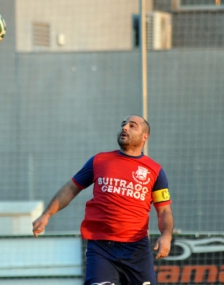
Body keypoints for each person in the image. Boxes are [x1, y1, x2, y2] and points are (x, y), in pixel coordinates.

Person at [32, 115, 174, 285]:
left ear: (145, 136)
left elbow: (164, 210)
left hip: (136, 249)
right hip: (101, 247)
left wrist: (166, 235)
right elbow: (71, 188)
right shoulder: (99, 161)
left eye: (132, 125)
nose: (125, 128)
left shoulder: (155, 171)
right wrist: (47, 214)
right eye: (123, 124)